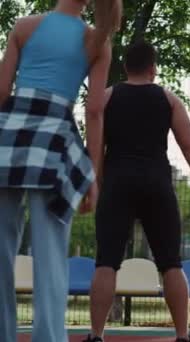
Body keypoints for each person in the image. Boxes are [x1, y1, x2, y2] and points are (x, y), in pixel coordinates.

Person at [83, 40, 190, 342]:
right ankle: (183, 336)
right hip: (156, 184)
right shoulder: (168, 98)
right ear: (153, 68)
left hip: (117, 183)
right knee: (171, 263)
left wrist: (92, 182)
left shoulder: (106, 98)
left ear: (124, 67)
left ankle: (96, 335)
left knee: (106, 261)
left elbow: (94, 147)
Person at [0, 0, 122, 341]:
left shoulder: (24, 27)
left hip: (9, 140)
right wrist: (92, 176)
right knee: (51, 257)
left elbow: (0, 92)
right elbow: (95, 111)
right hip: (54, 144)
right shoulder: (96, 40)